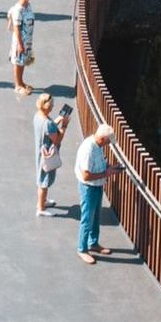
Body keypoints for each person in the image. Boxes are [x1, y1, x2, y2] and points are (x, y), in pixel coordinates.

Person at [76, 124, 117, 263]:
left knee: (96, 216)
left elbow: (101, 162)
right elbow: (86, 176)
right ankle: (82, 249)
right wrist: (106, 173)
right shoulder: (89, 149)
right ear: (102, 138)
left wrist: (109, 167)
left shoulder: (98, 146)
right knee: (87, 219)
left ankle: (93, 243)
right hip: (88, 187)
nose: (108, 144)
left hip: (97, 185)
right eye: (108, 141)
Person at [33, 93, 70, 216]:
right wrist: (64, 126)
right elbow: (57, 139)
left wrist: (58, 119)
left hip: (40, 151)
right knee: (44, 180)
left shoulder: (38, 116)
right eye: (52, 105)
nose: (53, 107)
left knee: (43, 177)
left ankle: (43, 201)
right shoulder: (48, 124)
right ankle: (41, 208)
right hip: (48, 154)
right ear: (46, 106)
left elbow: (48, 128)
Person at [7, 0, 36, 94]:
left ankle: (21, 81)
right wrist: (20, 44)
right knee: (18, 62)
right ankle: (17, 85)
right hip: (20, 41)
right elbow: (16, 28)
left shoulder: (28, 6)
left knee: (23, 61)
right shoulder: (18, 10)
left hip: (27, 40)